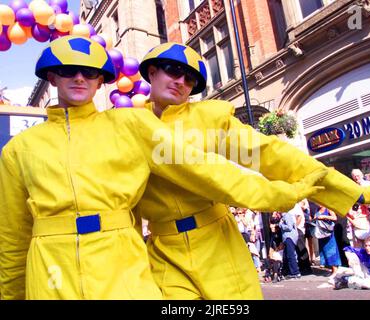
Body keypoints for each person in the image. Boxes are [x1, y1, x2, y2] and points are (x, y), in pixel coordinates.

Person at [0, 36, 330, 300]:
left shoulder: (128, 123)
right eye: (68, 69)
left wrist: (281, 193)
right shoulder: (19, 149)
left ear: (101, 81)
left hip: (121, 262)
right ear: (51, 75)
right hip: (50, 270)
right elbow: (12, 238)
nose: (79, 77)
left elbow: (203, 168)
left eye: (89, 72)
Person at [133, 41, 370, 299]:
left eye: (190, 78)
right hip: (163, 252)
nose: (181, 81)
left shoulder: (208, 120)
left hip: (216, 243)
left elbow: (273, 155)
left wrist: (353, 193)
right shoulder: (129, 126)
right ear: (152, 71)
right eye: (174, 70)